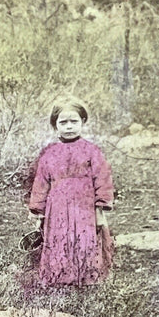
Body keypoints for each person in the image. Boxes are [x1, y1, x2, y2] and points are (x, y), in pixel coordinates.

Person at [28, 98, 114, 286]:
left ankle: (86, 281)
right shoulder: (49, 153)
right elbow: (41, 183)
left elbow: (103, 179)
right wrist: (39, 213)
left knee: (85, 239)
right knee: (59, 240)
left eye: (74, 121)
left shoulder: (92, 151)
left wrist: (100, 211)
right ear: (55, 125)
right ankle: (60, 282)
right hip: (57, 207)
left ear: (83, 122)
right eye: (63, 122)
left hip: (85, 206)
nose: (69, 127)